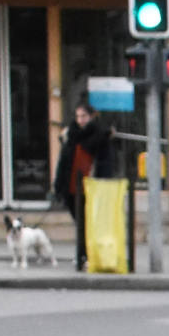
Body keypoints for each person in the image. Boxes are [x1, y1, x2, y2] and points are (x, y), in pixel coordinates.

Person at [51, 102, 112, 271]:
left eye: (83, 116)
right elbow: (63, 162)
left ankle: (84, 255)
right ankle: (83, 254)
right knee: (80, 223)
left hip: (91, 185)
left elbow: (105, 162)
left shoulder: (100, 136)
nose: (80, 120)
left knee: (87, 223)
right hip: (71, 186)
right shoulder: (71, 135)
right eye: (78, 116)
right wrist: (57, 186)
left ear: (91, 117)